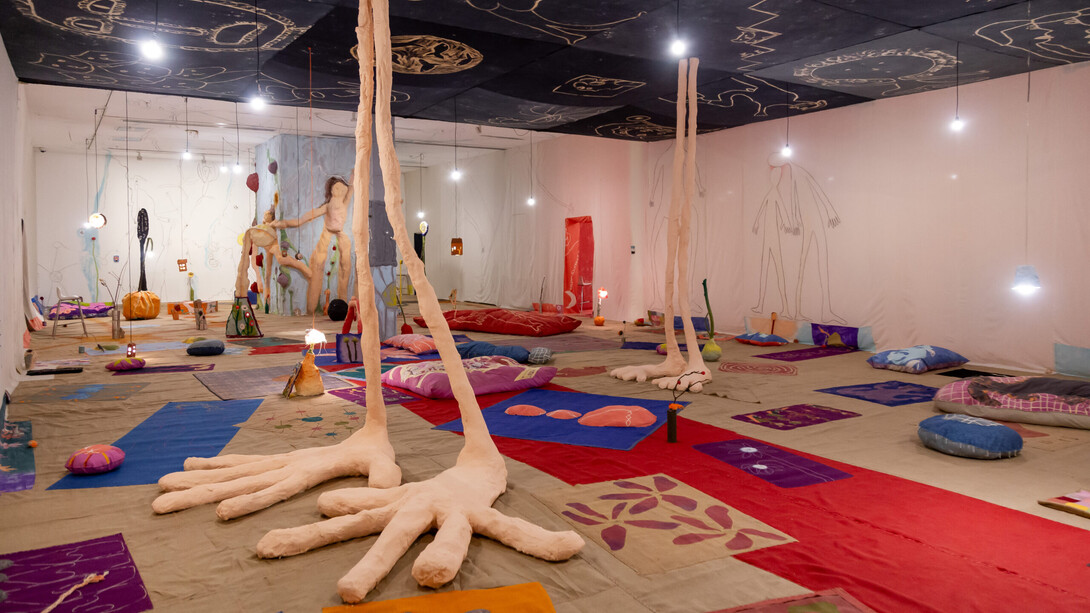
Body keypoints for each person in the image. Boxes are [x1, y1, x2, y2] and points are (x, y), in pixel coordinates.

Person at [271, 175, 353, 314]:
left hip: (341, 234)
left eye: (342, 187)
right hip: (327, 233)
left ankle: (344, 306)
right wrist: (283, 223)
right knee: (318, 265)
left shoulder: (345, 203)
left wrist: (355, 172)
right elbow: (305, 218)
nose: (340, 189)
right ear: (331, 190)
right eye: (337, 187)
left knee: (345, 267)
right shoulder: (327, 206)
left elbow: (352, 187)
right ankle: (311, 309)